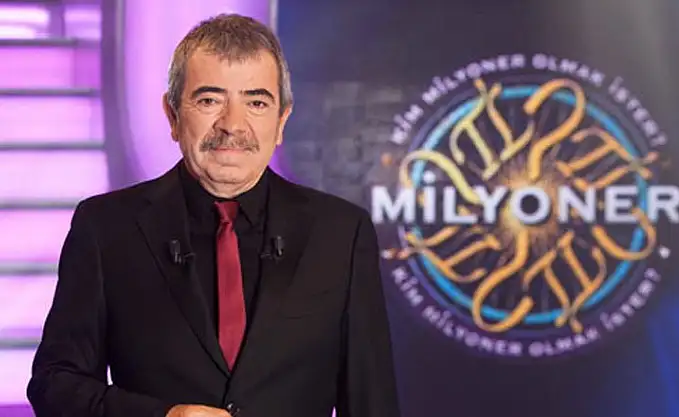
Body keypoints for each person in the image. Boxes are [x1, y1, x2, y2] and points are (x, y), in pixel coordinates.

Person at [26, 13, 400, 417]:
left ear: (281, 121)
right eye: (209, 100)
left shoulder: (341, 234)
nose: (232, 125)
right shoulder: (106, 228)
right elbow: (54, 384)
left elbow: (372, 403)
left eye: (256, 102)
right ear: (173, 115)